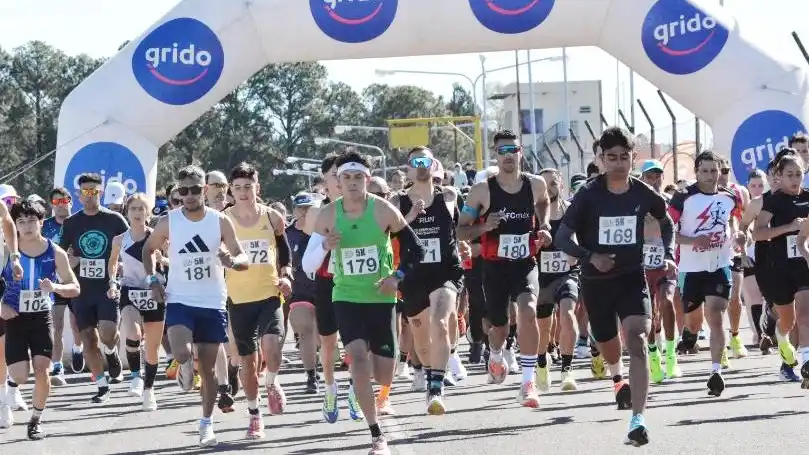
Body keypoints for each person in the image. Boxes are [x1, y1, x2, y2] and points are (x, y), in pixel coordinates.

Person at [554, 127, 675, 446]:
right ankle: (618, 379)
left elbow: (666, 224)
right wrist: (590, 256)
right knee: (609, 347)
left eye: (624, 157)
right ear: (601, 159)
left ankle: (638, 419)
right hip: (596, 283)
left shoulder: (644, 193)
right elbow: (562, 237)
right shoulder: (589, 194)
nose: (619, 164)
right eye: (612, 158)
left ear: (633, 158)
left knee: (636, 339)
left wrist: (667, 253)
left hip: (631, 278)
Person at [311, 151, 424, 455]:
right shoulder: (327, 215)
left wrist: (397, 277)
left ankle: (364, 386)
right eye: (346, 177)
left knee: (385, 373)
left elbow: (416, 249)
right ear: (338, 181)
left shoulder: (383, 210)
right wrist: (324, 246)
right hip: (346, 296)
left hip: (381, 298)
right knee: (358, 358)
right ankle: (376, 433)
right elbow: (308, 262)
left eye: (358, 177)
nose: (352, 183)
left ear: (367, 179)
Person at [143, 165, 249, 447]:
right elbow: (148, 249)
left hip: (212, 302)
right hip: (180, 298)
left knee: (210, 371)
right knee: (181, 351)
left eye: (194, 189)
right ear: (179, 192)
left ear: (205, 190)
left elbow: (242, 256)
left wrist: (233, 262)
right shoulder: (169, 221)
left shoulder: (220, 221)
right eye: (183, 190)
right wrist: (153, 280)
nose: (189, 195)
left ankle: (206, 423)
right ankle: (185, 364)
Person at [457, 129, 551, 409]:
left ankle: (528, 382)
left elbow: (544, 202)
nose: (508, 156)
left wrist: (544, 225)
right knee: (499, 327)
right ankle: (496, 353)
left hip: (524, 263)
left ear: (521, 152)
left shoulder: (535, 185)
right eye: (502, 151)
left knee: (528, 311)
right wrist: (484, 226)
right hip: (495, 267)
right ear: (495, 155)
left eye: (513, 150)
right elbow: (460, 231)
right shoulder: (482, 191)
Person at [392, 147, 463, 414]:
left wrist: (465, 246)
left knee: (440, 322)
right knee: (421, 343)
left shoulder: (449, 196)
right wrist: (409, 218)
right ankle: (428, 372)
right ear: (408, 169)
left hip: (445, 273)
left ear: (434, 165)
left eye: (426, 161)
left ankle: (436, 388)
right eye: (416, 162)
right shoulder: (397, 201)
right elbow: (385, 235)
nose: (421, 165)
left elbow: (459, 228)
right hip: (413, 276)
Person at [224, 162, 292, 439]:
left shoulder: (272, 217)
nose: (243, 192)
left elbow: (284, 252)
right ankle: (254, 414)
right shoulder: (223, 220)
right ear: (231, 190)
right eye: (238, 187)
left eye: (248, 187)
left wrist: (286, 275)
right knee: (248, 363)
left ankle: (272, 382)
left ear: (257, 188)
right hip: (239, 300)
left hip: (269, 294)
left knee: (272, 347)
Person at [0, 201, 80, 439]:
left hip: (42, 317)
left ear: (42, 222)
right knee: (21, 375)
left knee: (42, 370)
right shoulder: (6, 251)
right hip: (14, 317)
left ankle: (35, 420)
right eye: (21, 222)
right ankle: (12, 386)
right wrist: (1, 305)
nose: (27, 226)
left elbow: (75, 287)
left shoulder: (55, 252)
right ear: (14, 225)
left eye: (32, 221)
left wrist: (55, 287)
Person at [302, 152, 363, 424]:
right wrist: (326, 245)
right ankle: (329, 389)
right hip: (328, 282)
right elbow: (309, 260)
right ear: (325, 181)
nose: (341, 181)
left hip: (359, 282)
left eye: (346, 175)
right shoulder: (320, 212)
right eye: (335, 176)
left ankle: (355, 389)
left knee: (358, 341)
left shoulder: (366, 206)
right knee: (328, 341)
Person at [59, 173, 129, 403]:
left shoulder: (115, 219)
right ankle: (101, 386)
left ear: (101, 192)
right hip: (82, 290)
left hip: (107, 287)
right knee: (88, 337)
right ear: (79, 195)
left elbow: (132, 247)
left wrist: (121, 264)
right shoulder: (71, 223)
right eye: (85, 192)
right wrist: (69, 263)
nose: (89, 196)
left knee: (108, 334)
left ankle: (111, 351)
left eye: (94, 191)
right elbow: (61, 254)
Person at [107, 193, 165, 410]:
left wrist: (162, 260)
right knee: (133, 334)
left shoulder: (158, 237)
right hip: (130, 291)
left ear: (148, 213)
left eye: (142, 209)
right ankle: (135, 376)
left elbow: (174, 261)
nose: (138, 213)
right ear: (127, 212)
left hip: (154, 292)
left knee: (152, 348)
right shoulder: (119, 240)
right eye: (133, 208)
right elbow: (112, 262)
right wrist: (112, 283)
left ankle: (149, 390)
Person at [757, 153, 809, 385]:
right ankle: (781, 338)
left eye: (798, 174)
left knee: (806, 313)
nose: (795, 179)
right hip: (779, 268)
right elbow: (758, 233)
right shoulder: (774, 201)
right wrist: (789, 227)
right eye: (790, 175)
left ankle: (806, 362)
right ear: (779, 176)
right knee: (788, 322)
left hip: (804, 264)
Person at [534, 168, 581, 392]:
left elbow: (579, 238)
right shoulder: (532, 214)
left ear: (561, 185)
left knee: (567, 313)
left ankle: (567, 369)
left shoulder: (571, 210)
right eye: (544, 184)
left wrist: (574, 249)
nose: (549, 188)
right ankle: (541, 362)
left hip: (567, 273)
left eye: (553, 183)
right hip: (541, 276)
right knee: (543, 328)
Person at [638, 159, 682, 382]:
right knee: (649, 315)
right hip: (641, 266)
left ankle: (672, 356)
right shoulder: (635, 202)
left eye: (658, 176)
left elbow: (671, 229)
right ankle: (654, 358)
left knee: (666, 301)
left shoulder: (667, 202)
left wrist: (669, 255)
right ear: (641, 178)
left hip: (664, 264)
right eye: (649, 176)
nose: (654, 181)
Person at [43, 187, 83, 382]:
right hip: (53, 282)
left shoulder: (79, 222)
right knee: (57, 325)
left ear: (70, 202)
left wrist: (78, 260)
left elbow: (89, 248)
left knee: (76, 324)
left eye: (64, 200)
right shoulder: (45, 226)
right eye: (56, 202)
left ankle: (78, 348)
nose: (60, 205)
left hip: (75, 281)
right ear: (52, 205)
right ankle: (57, 366)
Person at [286, 192, 320, 395]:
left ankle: (320, 363)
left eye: (309, 208)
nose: (305, 212)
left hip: (324, 288)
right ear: (294, 210)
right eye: (301, 208)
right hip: (299, 290)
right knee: (305, 330)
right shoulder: (287, 234)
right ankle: (311, 376)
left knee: (322, 335)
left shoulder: (323, 231)